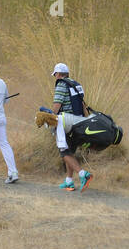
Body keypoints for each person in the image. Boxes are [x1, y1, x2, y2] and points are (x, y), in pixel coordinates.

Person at [35, 63, 93, 192]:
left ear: (58, 74)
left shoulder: (61, 85)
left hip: (65, 121)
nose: (55, 77)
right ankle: (69, 181)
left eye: (55, 74)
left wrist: (49, 117)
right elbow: (83, 105)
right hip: (80, 121)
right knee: (70, 150)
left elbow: (56, 107)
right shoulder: (76, 84)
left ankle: (84, 174)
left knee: (64, 151)